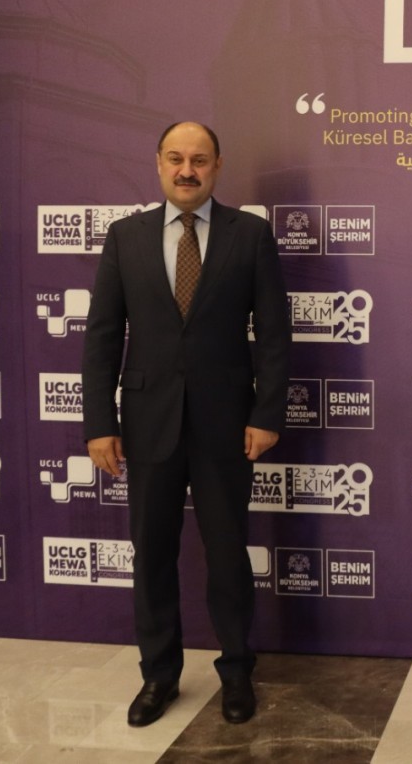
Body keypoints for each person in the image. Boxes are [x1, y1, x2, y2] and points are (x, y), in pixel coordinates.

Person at [81, 121, 290, 727]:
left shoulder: (249, 235)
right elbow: (101, 337)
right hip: (147, 423)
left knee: (227, 555)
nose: (186, 170)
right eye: (175, 158)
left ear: (218, 166)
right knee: (151, 555)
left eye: (199, 160)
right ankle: (159, 676)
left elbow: (274, 334)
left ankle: (237, 670)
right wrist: (99, 422)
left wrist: (267, 413)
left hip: (227, 425)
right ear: (158, 164)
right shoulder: (125, 237)